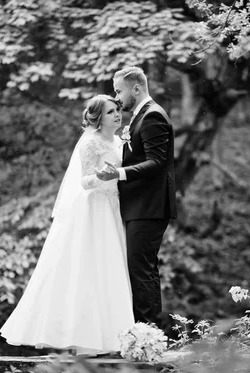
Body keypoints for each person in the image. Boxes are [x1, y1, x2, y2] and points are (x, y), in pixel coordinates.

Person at [0, 94, 134, 356]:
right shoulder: (90, 143)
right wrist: (101, 176)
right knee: (89, 270)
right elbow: (83, 181)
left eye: (117, 109)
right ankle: (80, 341)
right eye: (109, 112)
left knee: (111, 270)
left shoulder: (120, 140)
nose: (117, 114)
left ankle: (111, 338)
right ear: (97, 118)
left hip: (114, 207)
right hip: (95, 209)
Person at [97, 66, 177, 327]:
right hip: (140, 207)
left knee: (141, 272)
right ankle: (147, 333)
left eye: (119, 91)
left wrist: (118, 174)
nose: (117, 98)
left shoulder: (153, 116)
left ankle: (148, 334)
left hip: (149, 207)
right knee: (142, 270)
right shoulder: (142, 115)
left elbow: (156, 162)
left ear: (136, 88)